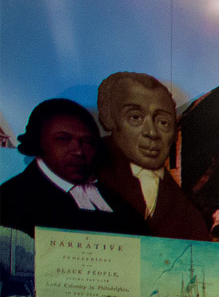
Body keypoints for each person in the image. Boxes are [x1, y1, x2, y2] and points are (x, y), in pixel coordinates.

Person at [0, 97, 142, 236]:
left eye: (87, 141)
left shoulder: (119, 204)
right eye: (63, 139)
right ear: (38, 142)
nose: (78, 151)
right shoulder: (8, 201)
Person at [93, 71, 209, 240]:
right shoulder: (84, 176)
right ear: (108, 118)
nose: (152, 132)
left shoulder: (187, 211)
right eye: (135, 117)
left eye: (163, 122)